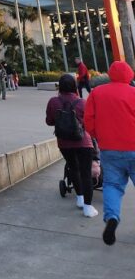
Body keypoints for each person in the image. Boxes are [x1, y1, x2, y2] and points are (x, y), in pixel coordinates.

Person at [84, 61, 135, 245]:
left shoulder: (97, 93)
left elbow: (88, 120)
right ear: (130, 75)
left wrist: (100, 136)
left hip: (109, 149)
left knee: (112, 185)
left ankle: (112, 218)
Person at [46, 74, 98, 218]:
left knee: (73, 168)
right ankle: (88, 207)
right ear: (75, 86)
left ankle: (80, 198)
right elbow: (89, 124)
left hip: (64, 143)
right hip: (83, 143)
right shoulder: (82, 103)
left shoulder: (53, 102)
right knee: (86, 173)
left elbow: (49, 121)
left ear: (60, 87)